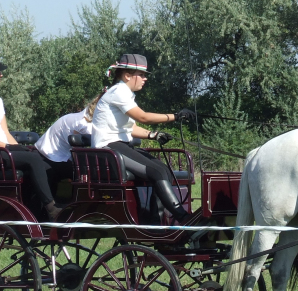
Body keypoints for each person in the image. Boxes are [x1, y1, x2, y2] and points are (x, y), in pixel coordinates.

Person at [91, 54, 194, 221]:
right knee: (157, 171)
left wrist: (153, 135)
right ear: (127, 75)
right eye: (142, 75)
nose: (145, 79)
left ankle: (157, 221)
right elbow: (143, 117)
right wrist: (176, 116)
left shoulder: (125, 93)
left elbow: (129, 127)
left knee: (164, 169)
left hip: (119, 145)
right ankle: (182, 217)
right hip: (108, 149)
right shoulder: (118, 91)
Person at [0, 54, 64, 220]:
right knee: (33, 160)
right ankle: (51, 208)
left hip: (3, 152)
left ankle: (37, 212)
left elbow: (5, 132)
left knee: (38, 158)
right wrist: (7, 148)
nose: (1, 75)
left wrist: (19, 148)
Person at [34, 97, 99, 193]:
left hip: (50, 154)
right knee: (92, 173)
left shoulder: (81, 117)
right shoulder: (84, 123)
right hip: (51, 157)